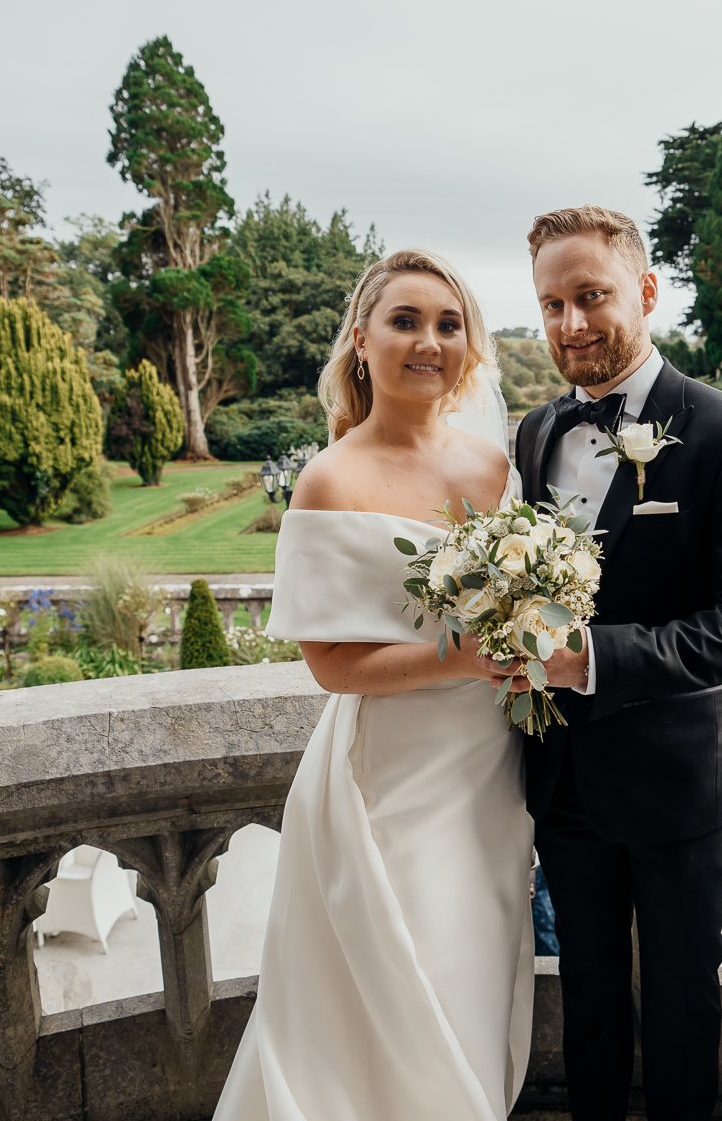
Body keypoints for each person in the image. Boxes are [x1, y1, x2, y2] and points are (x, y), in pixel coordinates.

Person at [482, 206, 722, 1121]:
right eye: (551, 305)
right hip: (564, 776)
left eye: (591, 297)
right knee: (587, 997)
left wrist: (593, 659)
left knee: (682, 1006)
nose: (570, 325)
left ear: (646, 292)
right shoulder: (536, 434)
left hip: (680, 782)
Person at [212, 249, 534, 1121]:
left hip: (492, 774)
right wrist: (463, 658)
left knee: (473, 975)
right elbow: (330, 663)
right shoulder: (331, 480)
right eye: (404, 321)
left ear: (470, 344)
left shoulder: (497, 471)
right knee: (405, 979)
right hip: (389, 777)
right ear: (361, 339)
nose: (428, 341)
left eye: (448, 323)